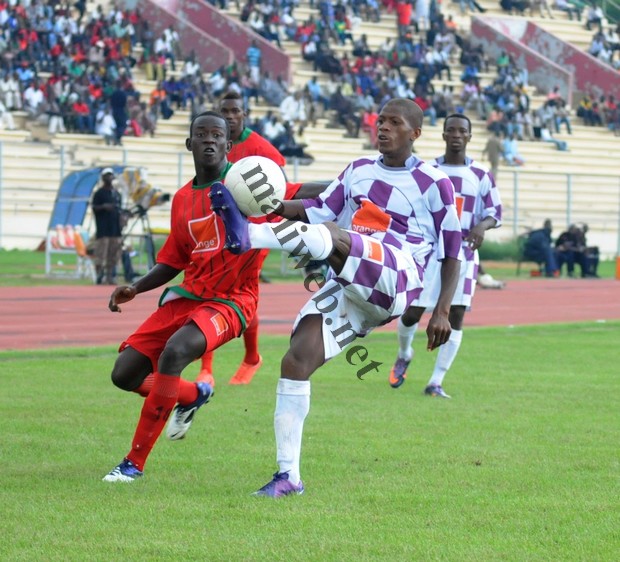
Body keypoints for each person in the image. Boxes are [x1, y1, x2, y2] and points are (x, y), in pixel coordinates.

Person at [210, 98, 463, 497]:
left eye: (394, 123)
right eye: (380, 122)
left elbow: (453, 253)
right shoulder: (358, 170)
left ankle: (248, 237)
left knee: (337, 237)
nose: (382, 129)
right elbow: (316, 210)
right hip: (350, 280)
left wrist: (442, 310)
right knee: (296, 359)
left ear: (415, 133)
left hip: (398, 275)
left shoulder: (435, 183)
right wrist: (270, 205)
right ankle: (288, 476)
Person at [102, 111, 266, 482]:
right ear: (190, 144)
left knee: (175, 353)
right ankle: (192, 395)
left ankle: (133, 464)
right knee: (125, 374)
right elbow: (173, 260)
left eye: (217, 135)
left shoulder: (246, 184)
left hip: (234, 298)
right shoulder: (181, 200)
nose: (209, 140)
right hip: (189, 294)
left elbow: (294, 191)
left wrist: (344, 185)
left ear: (228, 144)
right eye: (201, 134)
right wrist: (136, 288)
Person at [388, 114, 502, 397]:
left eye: (462, 131)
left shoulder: (481, 175)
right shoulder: (428, 170)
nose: (456, 135)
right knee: (413, 311)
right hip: (431, 252)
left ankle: (435, 381)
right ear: (442, 135)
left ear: (469, 137)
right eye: (450, 130)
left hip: (465, 253)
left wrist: (481, 226)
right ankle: (404, 353)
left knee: (456, 315)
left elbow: (494, 213)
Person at [194, 91, 293, 387]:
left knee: (229, 292)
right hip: (216, 229)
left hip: (252, 234)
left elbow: (277, 187)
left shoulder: (261, 148)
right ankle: (226, 363)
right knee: (208, 288)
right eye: (225, 110)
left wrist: (268, 228)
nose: (230, 115)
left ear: (244, 115)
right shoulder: (215, 144)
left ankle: (232, 362)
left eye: (235, 110)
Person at [91, 168, 125, 285]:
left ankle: (110, 276)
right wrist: (104, 207)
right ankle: (99, 276)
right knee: (101, 254)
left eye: (110, 175)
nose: (109, 177)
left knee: (114, 254)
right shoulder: (99, 193)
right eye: (107, 175)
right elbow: (94, 207)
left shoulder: (116, 194)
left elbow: (120, 209)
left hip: (115, 230)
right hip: (103, 230)